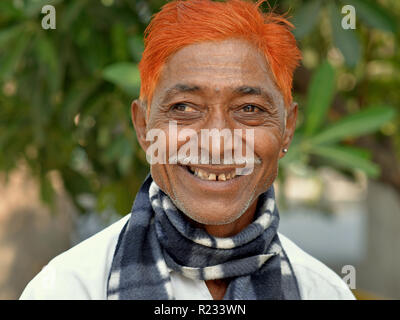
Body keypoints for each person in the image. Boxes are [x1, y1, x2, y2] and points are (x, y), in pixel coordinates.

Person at [20, 0, 355, 300]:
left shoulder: (322, 291)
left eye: (249, 109)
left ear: (287, 129)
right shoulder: (68, 288)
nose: (217, 141)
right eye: (183, 108)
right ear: (143, 127)